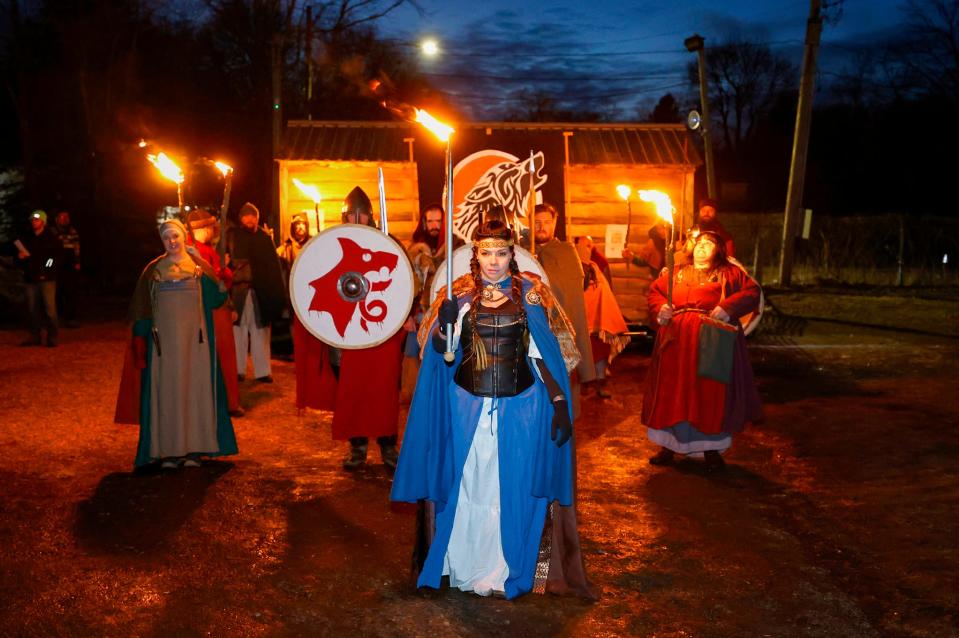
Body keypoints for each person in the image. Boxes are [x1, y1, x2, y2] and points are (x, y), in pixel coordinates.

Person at [391, 219, 594, 601]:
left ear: (511, 255)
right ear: (476, 255)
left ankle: (507, 568)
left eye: (502, 253)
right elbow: (439, 355)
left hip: (521, 411)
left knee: (511, 488)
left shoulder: (533, 297)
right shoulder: (458, 296)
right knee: (468, 486)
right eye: (487, 253)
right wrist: (443, 327)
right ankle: (463, 565)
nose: (494, 262)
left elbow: (546, 357)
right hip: (466, 409)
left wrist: (560, 403)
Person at [114, 218, 238, 469]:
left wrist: (223, 279)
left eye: (175, 236)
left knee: (195, 392)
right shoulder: (154, 270)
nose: (172, 241)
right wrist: (140, 340)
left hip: (196, 345)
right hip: (164, 348)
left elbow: (216, 299)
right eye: (166, 238)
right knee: (167, 394)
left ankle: (193, 449)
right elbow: (142, 310)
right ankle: (168, 451)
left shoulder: (198, 268)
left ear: (183, 238)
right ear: (162, 241)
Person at [642, 230, 762, 472]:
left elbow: (752, 293)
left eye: (709, 244)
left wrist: (727, 307)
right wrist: (661, 309)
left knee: (709, 393)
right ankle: (668, 447)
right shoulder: (675, 272)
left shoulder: (730, 272)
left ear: (719, 250)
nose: (702, 247)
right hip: (675, 341)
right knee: (672, 392)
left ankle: (711, 450)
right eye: (698, 243)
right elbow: (655, 294)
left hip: (711, 340)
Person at [333, 186, 405, 470]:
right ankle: (358, 447)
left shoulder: (388, 241)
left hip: (383, 327)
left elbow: (403, 283)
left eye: (361, 214)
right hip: (350, 328)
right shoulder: (334, 244)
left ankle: (388, 446)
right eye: (351, 214)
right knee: (354, 389)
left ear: (371, 216)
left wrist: (406, 314)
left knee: (385, 388)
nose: (356, 219)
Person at [532, 202, 595, 416]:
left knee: (562, 390)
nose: (542, 227)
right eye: (537, 222)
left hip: (560, 330)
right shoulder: (521, 252)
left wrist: (539, 277)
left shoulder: (566, 251)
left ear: (554, 224)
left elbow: (570, 291)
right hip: (533, 332)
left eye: (547, 223)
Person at [187, 209, 244, 417]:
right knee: (223, 354)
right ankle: (227, 402)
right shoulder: (200, 251)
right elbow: (218, 280)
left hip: (204, 309)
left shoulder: (199, 249)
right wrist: (223, 270)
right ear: (203, 229)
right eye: (211, 227)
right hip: (214, 310)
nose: (214, 231)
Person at [281, 213, 338, 414]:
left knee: (318, 348)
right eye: (296, 226)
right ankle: (304, 388)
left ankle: (320, 389)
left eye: (303, 225)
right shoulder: (286, 249)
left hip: (314, 300)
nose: (300, 229)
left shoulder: (316, 245)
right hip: (295, 299)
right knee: (301, 347)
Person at [228, 202, 286, 383]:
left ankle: (262, 371)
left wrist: (276, 295)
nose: (250, 219)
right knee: (238, 331)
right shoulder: (232, 237)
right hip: (238, 292)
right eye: (246, 216)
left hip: (259, 293)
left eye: (253, 216)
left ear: (257, 218)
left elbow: (273, 269)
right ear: (241, 218)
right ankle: (238, 370)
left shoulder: (264, 238)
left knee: (260, 332)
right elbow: (225, 264)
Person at [573, 237, 630, 399]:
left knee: (600, 354)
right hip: (581, 325)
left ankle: (599, 385)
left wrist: (604, 318)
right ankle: (582, 386)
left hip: (599, 324)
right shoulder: (571, 273)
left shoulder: (596, 271)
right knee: (580, 354)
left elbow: (605, 294)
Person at [15, 210, 60, 347]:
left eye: (37, 220)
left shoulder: (51, 237)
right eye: (33, 220)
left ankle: (52, 337)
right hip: (30, 278)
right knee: (32, 309)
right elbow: (20, 257)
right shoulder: (27, 237)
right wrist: (20, 258)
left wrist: (46, 270)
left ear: (43, 222)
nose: (34, 222)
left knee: (50, 309)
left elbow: (55, 257)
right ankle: (35, 336)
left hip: (47, 279)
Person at [53, 211, 81, 328]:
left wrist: (77, 262)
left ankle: (71, 318)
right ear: (57, 219)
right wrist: (49, 266)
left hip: (69, 265)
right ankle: (58, 317)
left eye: (66, 217)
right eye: (62, 217)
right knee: (57, 292)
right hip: (57, 265)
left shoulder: (72, 231)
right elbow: (50, 251)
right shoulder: (53, 231)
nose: (64, 219)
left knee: (70, 291)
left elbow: (77, 247)